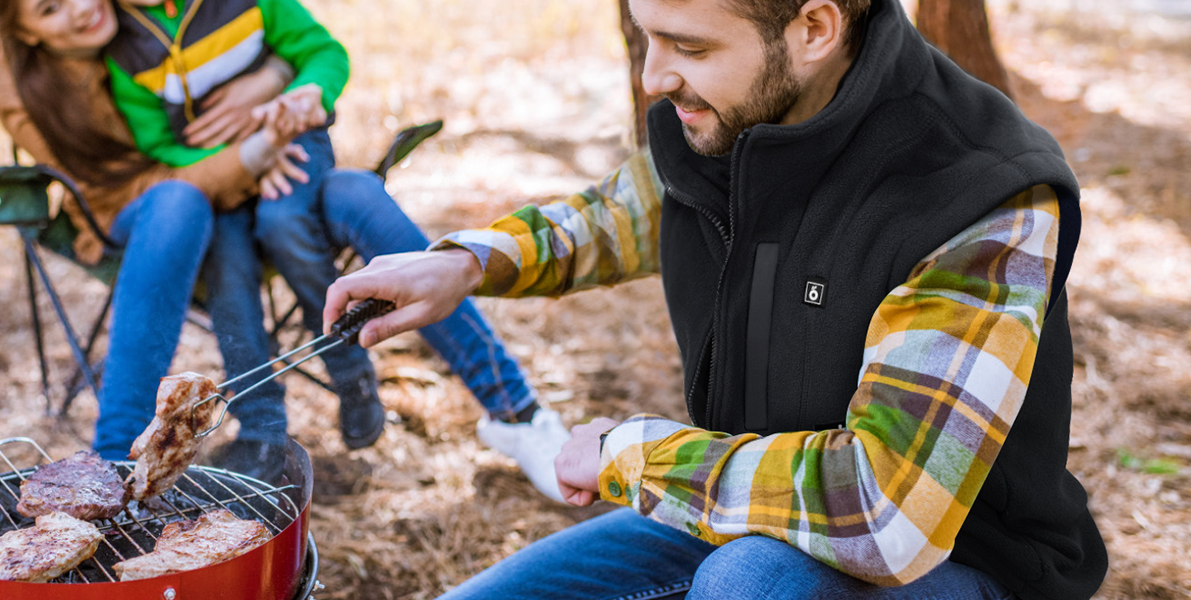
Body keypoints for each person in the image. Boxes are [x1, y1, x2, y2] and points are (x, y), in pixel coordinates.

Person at [324, 0, 1107, 597]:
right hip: (753, 506)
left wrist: (629, 454)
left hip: (965, 562)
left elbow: (883, 514)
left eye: (688, 47)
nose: (652, 78)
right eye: (647, 35)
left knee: (749, 581)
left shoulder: (978, 194)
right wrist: (463, 264)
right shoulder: (735, 113)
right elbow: (622, 212)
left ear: (815, 28)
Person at [0, 0, 574, 498]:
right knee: (196, 212)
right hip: (187, 212)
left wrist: (275, 92)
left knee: (358, 193)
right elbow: (157, 166)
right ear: (24, 30)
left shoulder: (151, 17)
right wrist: (253, 150)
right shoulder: (68, 69)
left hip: (278, 175)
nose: (81, 7)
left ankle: (518, 413)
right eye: (49, 7)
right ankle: (120, 461)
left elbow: (311, 47)